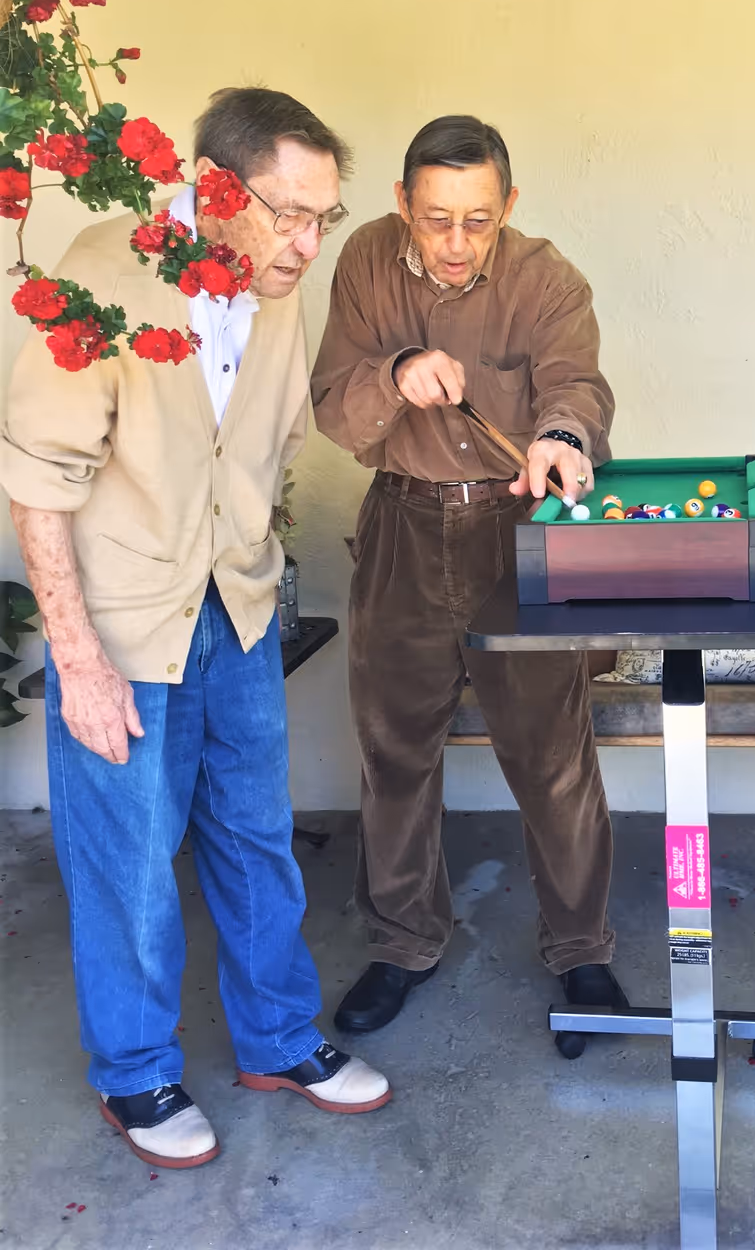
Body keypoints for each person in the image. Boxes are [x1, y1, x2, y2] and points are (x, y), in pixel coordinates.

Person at [1, 88, 391, 1170]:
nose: (308, 243)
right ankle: (136, 1076)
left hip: (238, 606)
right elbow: (40, 482)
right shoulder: (98, 276)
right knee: (127, 860)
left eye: (326, 216)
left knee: (256, 835)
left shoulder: (278, 289)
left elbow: (255, 454)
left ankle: (276, 1038)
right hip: (122, 623)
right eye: (286, 214)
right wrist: (74, 657)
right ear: (215, 190)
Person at [311, 113, 626, 1044]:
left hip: (514, 529)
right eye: (435, 219)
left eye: (478, 221)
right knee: (394, 750)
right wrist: (396, 370)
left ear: (509, 206)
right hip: (403, 526)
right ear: (403, 203)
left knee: (552, 757)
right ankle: (403, 940)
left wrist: (564, 436)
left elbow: (580, 386)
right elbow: (334, 403)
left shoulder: (546, 277)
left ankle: (583, 949)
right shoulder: (367, 261)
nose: (455, 245)